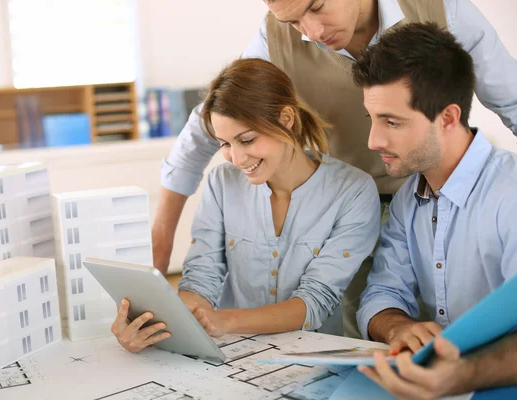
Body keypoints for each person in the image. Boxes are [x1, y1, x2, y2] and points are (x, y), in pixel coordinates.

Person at [153, 0, 517, 339]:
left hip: (431, 192)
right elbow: (213, 124)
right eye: (294, 21)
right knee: (365, 337)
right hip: (356, 210)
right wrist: (160, 245)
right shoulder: (276, 37)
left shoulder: (441, 6)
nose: (310, 31)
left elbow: (513, 100)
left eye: (316, 7)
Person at [111, 58, 380, 352]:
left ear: (286, 118)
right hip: (233, 356)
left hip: (313, 359)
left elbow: (314, 302)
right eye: (225, 144)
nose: (237, 159)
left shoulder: (353, 191)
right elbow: (201, 281)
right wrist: (150, 324)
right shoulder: (221, 184)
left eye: (247, 140)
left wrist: (224, 321)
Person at [352, 22, 517, 398]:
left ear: (447, 118)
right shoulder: (409, 199)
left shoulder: (511, 194)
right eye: (372, 119)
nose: (373, 141)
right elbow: (381, 293)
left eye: (392, 121)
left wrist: (463, 375)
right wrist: (397, 327)